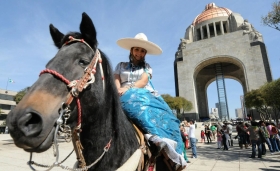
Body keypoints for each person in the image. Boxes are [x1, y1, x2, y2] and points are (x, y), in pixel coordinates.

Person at [114, 33, 186, 168]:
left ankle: (159, 141)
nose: (139, 53)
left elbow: (143, 81)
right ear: (131, 50)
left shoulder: (146, 66)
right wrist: (118, 90)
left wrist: (127, 89)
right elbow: (116, 80)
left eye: (142, 51)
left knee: (166, 117)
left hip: (141, 95)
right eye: (137, 50)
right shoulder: (120, 65)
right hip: (120, 94)